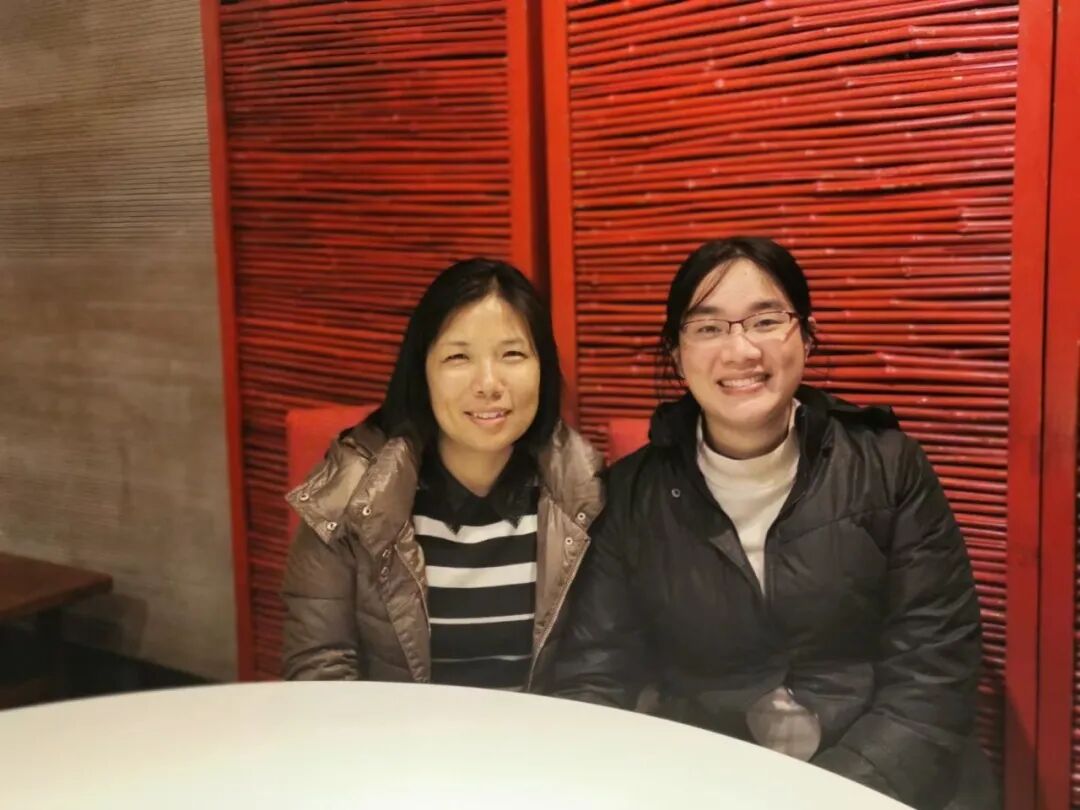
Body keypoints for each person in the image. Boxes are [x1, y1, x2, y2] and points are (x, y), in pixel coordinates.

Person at [550, 237, 995, 809]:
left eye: (765, 321)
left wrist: (828, 796)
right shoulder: (634, 494)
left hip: (885, 781)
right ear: (677, 355)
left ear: (806, 336)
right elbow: (596, 673)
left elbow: (934, 670)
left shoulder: (888, 467)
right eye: (709, 327)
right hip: (713, 783)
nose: (740, 350)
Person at [282, 258, 603, 692]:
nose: (488, 384)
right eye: (458, 357)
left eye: (512, 354)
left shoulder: (586, 493)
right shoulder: (351, 495)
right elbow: (320, 670)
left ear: (543, 368)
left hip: (542, 735)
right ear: (422, 372)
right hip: (392, 733)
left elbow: (599, 668)